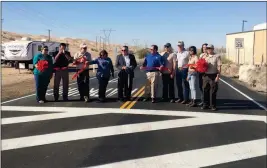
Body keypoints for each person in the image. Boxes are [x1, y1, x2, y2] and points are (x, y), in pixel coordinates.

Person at [201, 44, 222, 111]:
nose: (208, 50)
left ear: (213, 49)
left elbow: (219, 67)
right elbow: (201, 65)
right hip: (206, 75)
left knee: (213, 91)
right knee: (205, 90)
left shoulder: (217, 56)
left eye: (210, 48)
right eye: (207, 48)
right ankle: (205, 104)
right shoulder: (204, 56)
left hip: (213, 75)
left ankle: (213, 105)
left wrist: (218, 76)